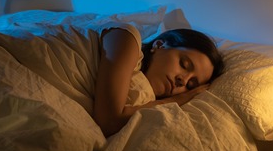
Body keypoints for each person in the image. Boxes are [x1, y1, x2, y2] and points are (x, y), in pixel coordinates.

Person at [93, 27, 225, 137]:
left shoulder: (148, 103)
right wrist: (180, 98)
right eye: (183, 64)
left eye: (191, 85)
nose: (183, 80)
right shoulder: (126, 39)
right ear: (159, 45)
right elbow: (108, 121)